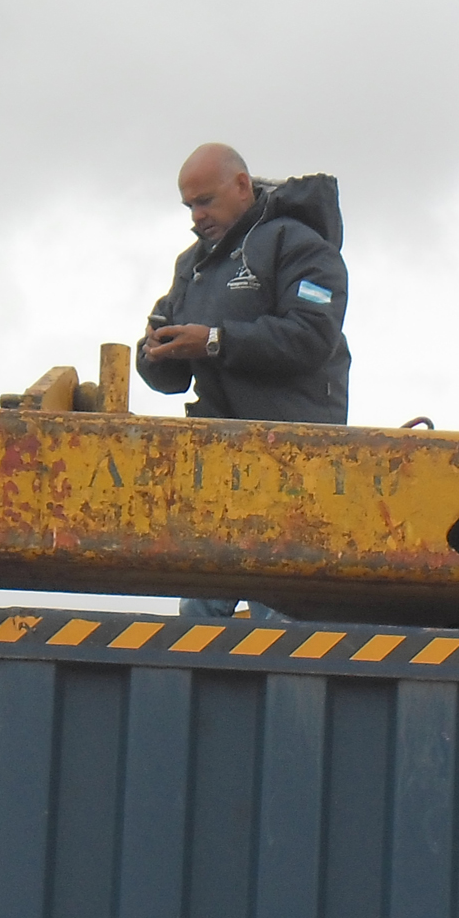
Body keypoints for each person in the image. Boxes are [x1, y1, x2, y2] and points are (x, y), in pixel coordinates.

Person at [140, 143, 351, 617]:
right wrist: (157, 352)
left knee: (278, 612)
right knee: (200, 616)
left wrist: (213, 340)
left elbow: (311, 335)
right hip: (216, 465)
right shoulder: (192, 265)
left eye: (205, 201)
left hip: (294, 460)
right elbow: (170, 373)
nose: (196, 216)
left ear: (241, 186)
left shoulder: (300, 245)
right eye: (189, 206)